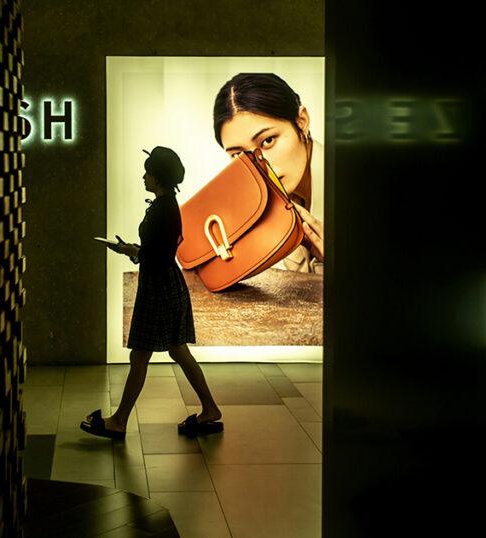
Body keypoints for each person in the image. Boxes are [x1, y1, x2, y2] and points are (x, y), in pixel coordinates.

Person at [80, 146, 223, 440]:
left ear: (157, 177)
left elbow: (157, 254)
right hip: (165, 284)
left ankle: (119, 421)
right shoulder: (166, 205)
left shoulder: (163, 209)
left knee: (143, 354)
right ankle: (209, 409)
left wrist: (135, 252)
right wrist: (133, 250)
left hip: (158, 288)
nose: (144, 177)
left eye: (148, 172)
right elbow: (159, 251)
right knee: (175, 350)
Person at [213, 73, 325, 271]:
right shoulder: (261, 209)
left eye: (267, 141)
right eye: (238, 155)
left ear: (301, 121)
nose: (260, 166)